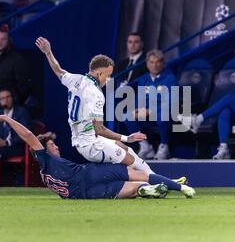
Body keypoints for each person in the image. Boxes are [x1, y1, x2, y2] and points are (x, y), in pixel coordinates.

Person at [35, 37, 187, 181]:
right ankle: (157, 183)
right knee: (130, 160)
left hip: (86, 138)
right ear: (99, 72)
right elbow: (99, 129)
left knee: (129, 151)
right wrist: (127, 137)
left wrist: (48, 52)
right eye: (107, 75)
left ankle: (158, 180)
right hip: (90, 145)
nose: (108, 80)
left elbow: (58, 69)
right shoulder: (96, 94)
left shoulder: (76, 80)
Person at [0, 113, 196, 199]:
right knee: (138, 175)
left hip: (87, 194)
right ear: (41, 150)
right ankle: (179, 187)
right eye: (52, 145)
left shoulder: (44, 175)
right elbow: (29, 135)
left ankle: (151, 190)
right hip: (91, 174)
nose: (56, 147)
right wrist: (6, 118)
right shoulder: (44, 158)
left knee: (133, 190)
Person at [124, 50, 178, 160]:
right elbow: (139, 99)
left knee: (162, 115)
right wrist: (137, 110)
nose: (155, 65)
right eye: (152, 62)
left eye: (158, 62)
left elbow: (170, 103)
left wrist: (149, 111)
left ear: (162, 63)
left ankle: (164, 146)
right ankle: (145, 146)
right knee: (127, 116)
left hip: (164, 114)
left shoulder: (170, 79)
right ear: (147, 64)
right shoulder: (144, 79)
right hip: (147, 115)